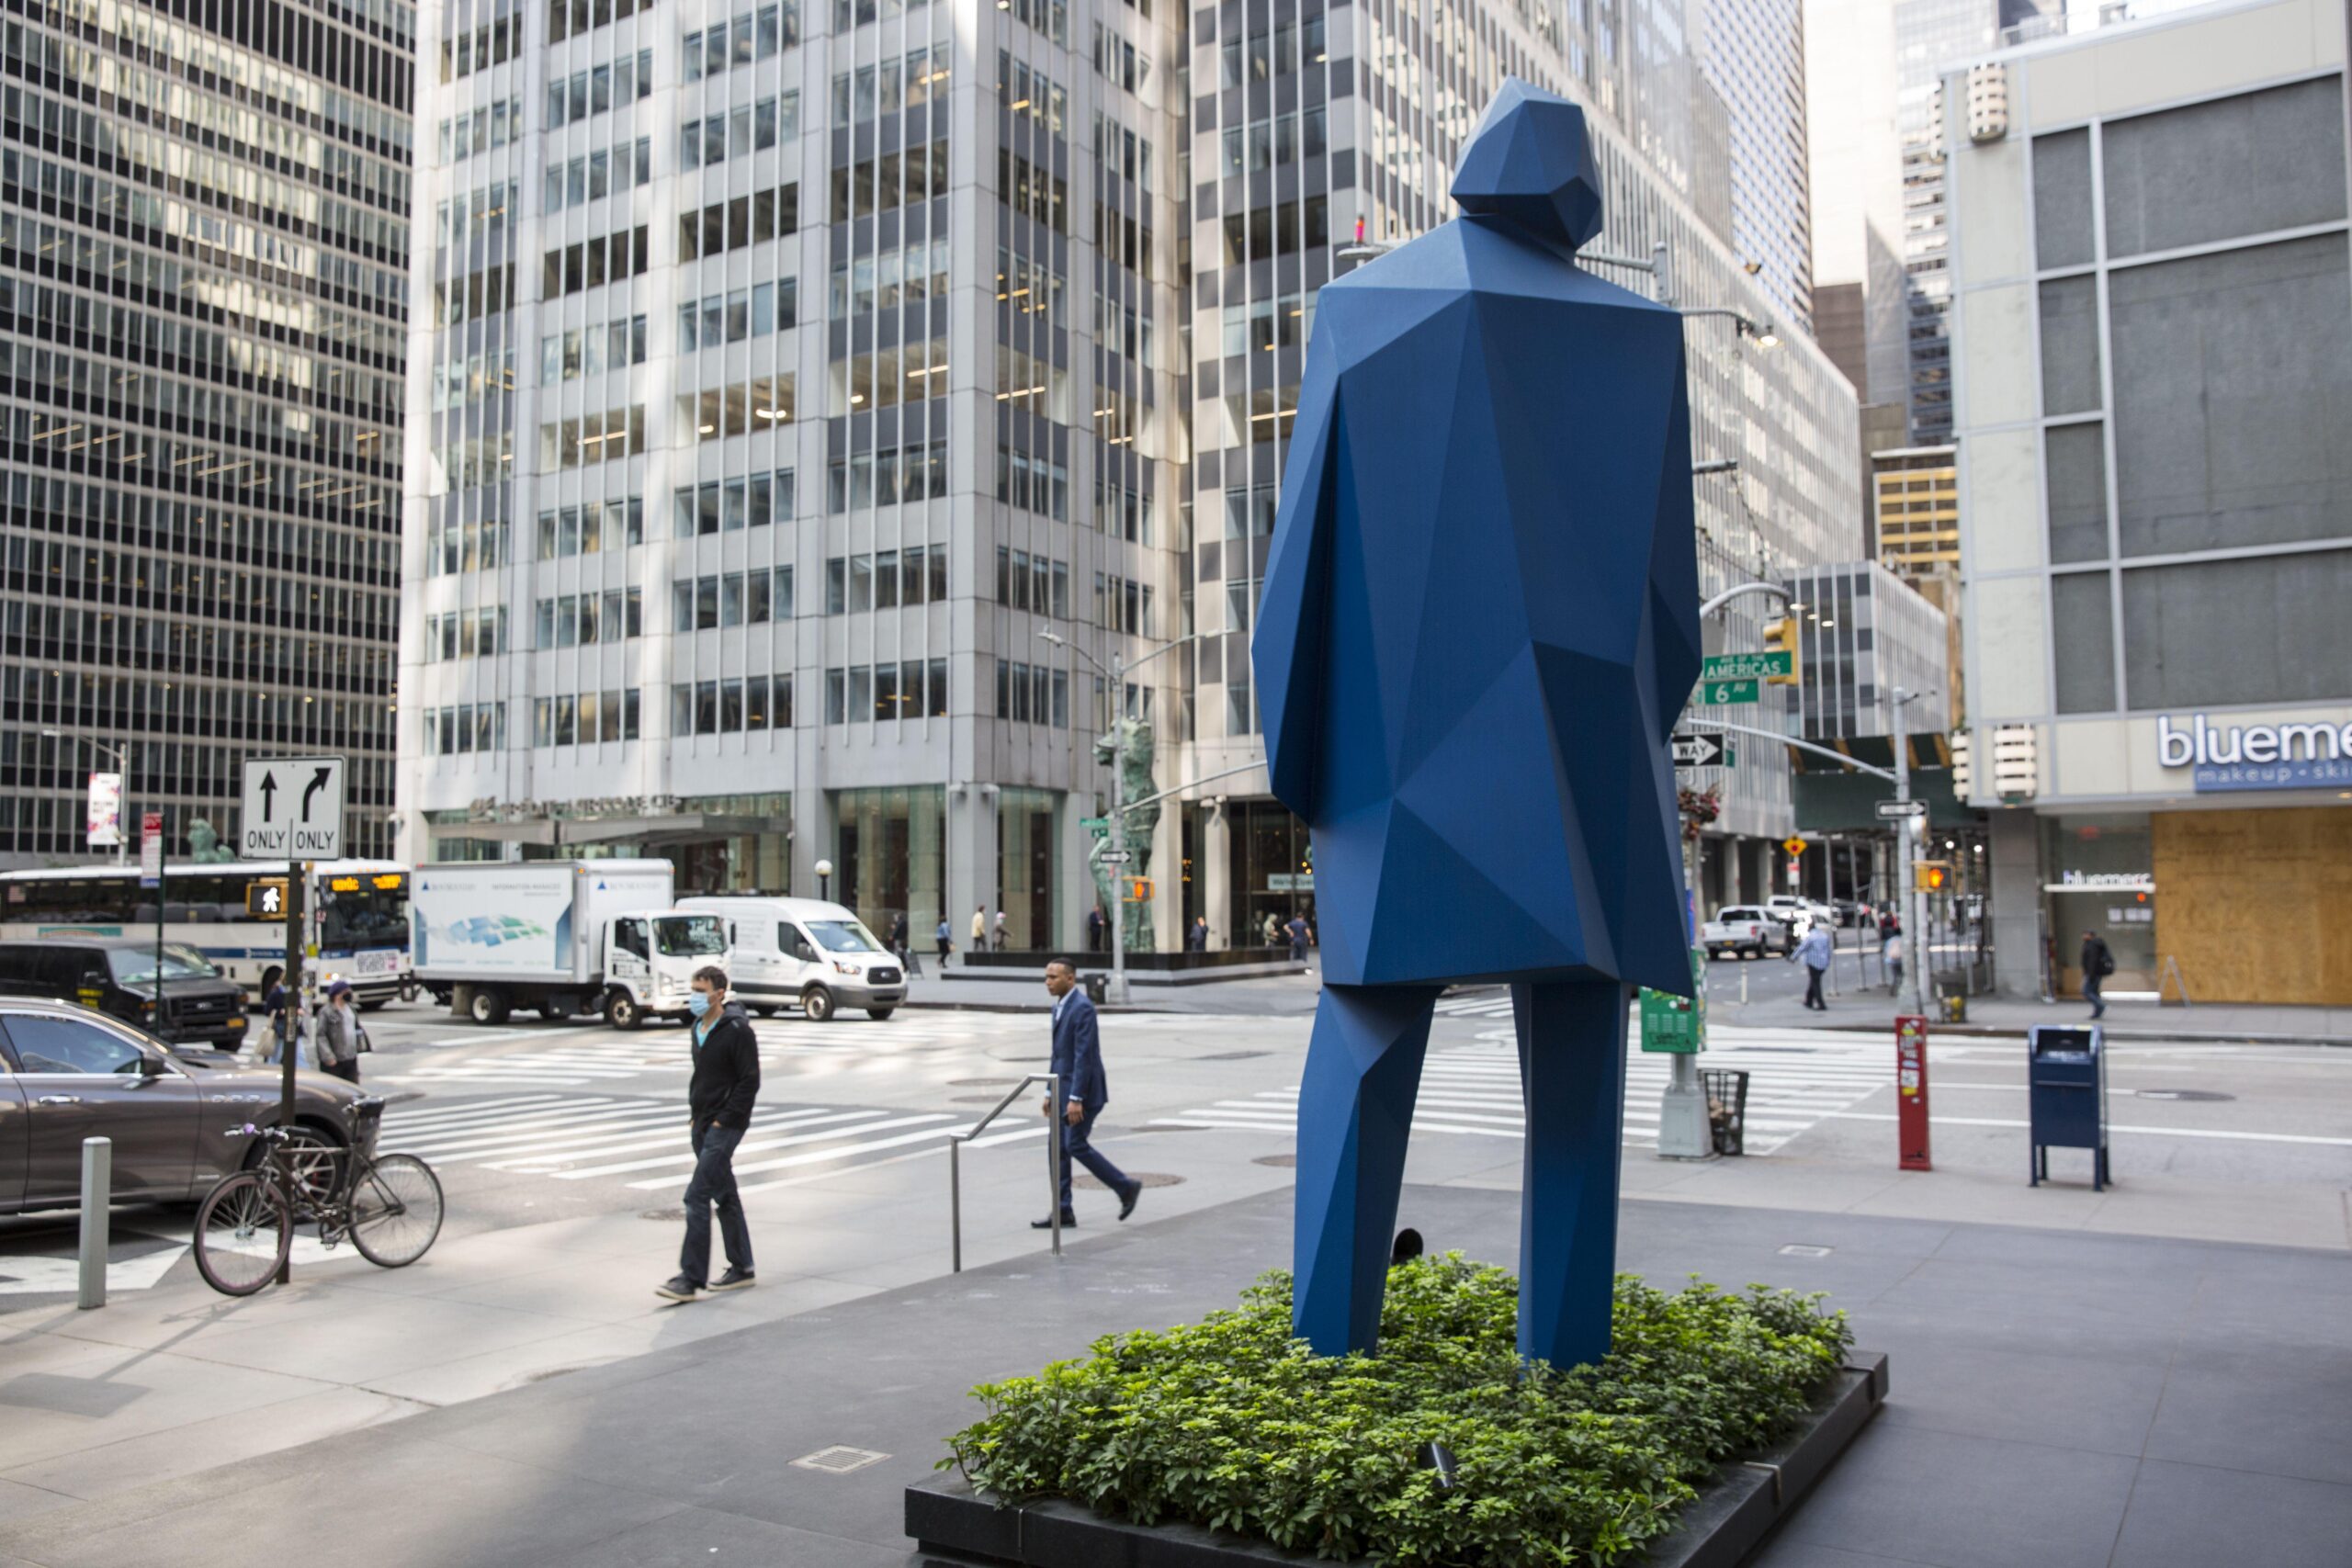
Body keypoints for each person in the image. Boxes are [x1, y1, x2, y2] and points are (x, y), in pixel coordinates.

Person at [657, 965, 760, 1303]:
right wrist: (695, 1118)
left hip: (725, 1126)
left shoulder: (738, 1030)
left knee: (696, 1196)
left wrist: (723, 1120)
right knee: (724, 1194)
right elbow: (703, 1078)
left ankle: (690, 1277)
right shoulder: (698, 1028)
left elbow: (749, 1081)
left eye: (700, 991)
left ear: (719, 994)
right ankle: (742, 1267)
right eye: (693, 989)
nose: (695, 996)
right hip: (702, 1123)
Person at [1036, 958, 1139, 1229]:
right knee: (1057, 1148)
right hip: (1062, 1089)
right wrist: (1049, 1090)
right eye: (1046, 977)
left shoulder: (1082, 1008)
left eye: (1053, 977)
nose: (1048, 982)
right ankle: (1063, 1210)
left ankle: (1126, 1187)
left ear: (1070, 979)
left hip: (1083, 1093)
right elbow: (1058, 1055)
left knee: (1074, 1145)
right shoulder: (1059, 1006)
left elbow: (1084, 1056)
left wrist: (1076, 1098)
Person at [314, 979, 365, 1082]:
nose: (349, 994)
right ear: (337, 995)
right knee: (334, 1086)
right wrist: (328, 1056)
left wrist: (360, 1045)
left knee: (352, 1087)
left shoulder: (351, 1009)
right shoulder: (326, 1012)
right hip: (335, 1059)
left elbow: (356, 1028)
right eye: (346, 991)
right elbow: (321, 1035)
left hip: (351, 1057)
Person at [1790, 920, 1832, 1011]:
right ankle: (1808, 1001)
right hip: (1823, 962)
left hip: (1813, 962)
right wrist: (1828, 960)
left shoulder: (1811, 937)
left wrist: (1793, 957)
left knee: (1815, 983)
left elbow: (1802, 948)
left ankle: (1820, 1003)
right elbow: (1828, 950)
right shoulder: (1824, 936)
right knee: (1814, 981)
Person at [2081, 929, 2115, 1020]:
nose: (2083, 936)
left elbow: (2093, 960)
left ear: (2091, 935)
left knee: (2086, 991)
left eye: (2085, 934)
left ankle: (2101, 1006)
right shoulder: (2094, 944)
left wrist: (2090, 973)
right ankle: (2097, 1012)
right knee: (2094, 992)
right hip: (2096, 972)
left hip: (2094, 972)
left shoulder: (2093, 945)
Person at [1884, 930, 1905, 997]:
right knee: (1902, 976)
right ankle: (1901, 990)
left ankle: (1892, 991)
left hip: (1892, 961)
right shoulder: (1903, 939)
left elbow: (1887, 950)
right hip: (1901, 960)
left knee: (1894, 977)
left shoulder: (1890, 940)